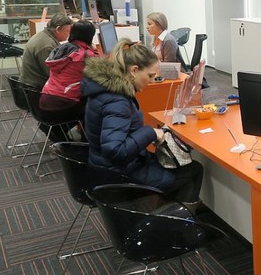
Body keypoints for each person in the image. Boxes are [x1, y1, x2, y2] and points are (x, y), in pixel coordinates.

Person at [81, 38, 203, 205]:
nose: (152, 80)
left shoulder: (106, 91)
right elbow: (114, 150)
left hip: (106, 167)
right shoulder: (117, 101)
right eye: (150, 75)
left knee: (172, 166)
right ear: (134, 70)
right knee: (193, 171)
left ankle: (164, 211)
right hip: (118, 175)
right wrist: (150, 132)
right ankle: (174, 219)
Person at [40, 20, 99, 122]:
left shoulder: (61, 49)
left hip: (45, 101)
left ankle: (58, 130)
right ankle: (87, 133)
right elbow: (101, 69)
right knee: (97, 102)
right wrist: (94, 49)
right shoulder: (85, 55)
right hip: (64, 105)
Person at [20, 14, 73, 88]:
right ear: (58, 29)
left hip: (30, 83)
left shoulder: (43, 36)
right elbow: (52, 73)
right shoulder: (47, 46)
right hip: (35, 88)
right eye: (67, 31)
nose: (69, 34)